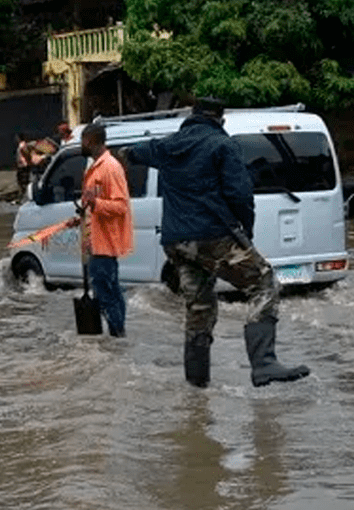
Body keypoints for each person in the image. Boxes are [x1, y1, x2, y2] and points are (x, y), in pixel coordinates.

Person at [124, 97, 310, 388]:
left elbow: (133, 153)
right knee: (265, 282)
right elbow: (240, 195)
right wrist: (245, 234)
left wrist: (126, 155)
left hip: (176, 242)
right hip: (212, 235)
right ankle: (263, 363)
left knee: (199, 306)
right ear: (220, 120)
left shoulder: (167, 145)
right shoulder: (222, 145)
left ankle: (196, 385)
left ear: (192, 116)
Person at [65, 123, 133, 337]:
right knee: (109, 292)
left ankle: (117, 335)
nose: (81, 145)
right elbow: (94, 204)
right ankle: (117, 336)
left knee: (106, 294)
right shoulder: (95, 167)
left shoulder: (110, 168)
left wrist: (96, 205)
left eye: (83, 140)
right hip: (93, 241)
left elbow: (121, 206)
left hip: (105, 244)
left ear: (93, 140)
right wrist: (84, 215)